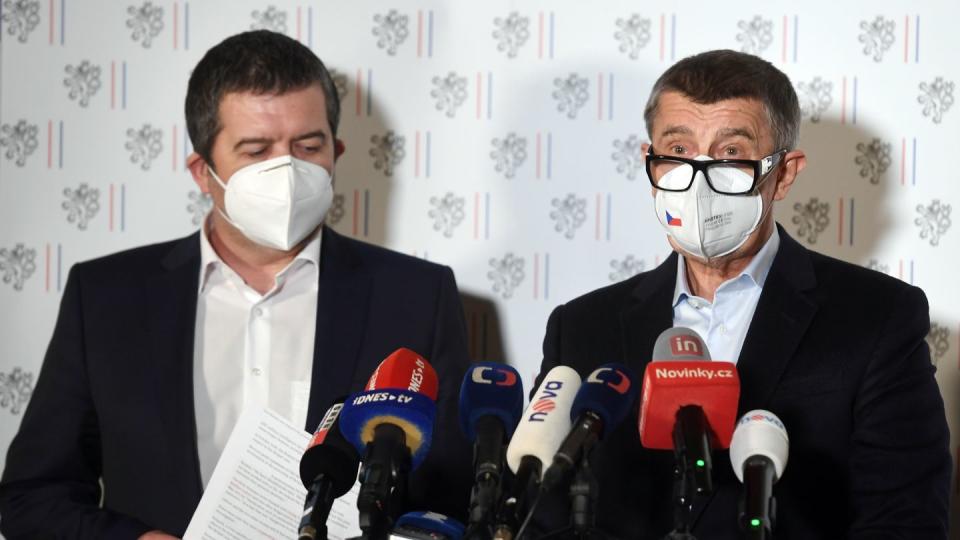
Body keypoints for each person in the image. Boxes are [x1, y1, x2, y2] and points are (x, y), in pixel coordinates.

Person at [0, 30, 473, 539]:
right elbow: (32, 497)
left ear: (336, 151)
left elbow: (454, 499)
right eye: (255, 150)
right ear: (204, 171)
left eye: (307, 146)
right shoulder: (105, 298)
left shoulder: (419, 296)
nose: (286, 170)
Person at [534, 50, 951, 538]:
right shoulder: (581, 328)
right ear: (650, 164)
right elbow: (546, 515)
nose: (701, 182)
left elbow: (905, 520)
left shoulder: (878, 317)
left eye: (731, 154)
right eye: (679, 150)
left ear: (784, 174)